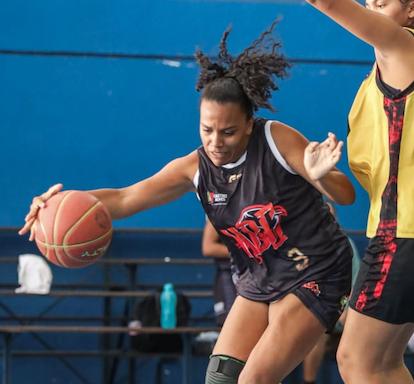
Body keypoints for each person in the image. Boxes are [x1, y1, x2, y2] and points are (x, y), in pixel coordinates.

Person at [20, 21, 356, 384]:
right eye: (207, 129)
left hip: (316, 272)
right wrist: (61, 203)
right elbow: (123, 198)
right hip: (259, 279)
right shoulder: (194, 169)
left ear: (248, 124)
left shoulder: (275, 139)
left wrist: (321, 175)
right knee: (220, 379)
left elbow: (346, 196)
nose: (215, 141)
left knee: (254, 380)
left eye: (227, 131)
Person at [303, 1, 414, 382]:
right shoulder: (410, 64)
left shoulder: (402, 46)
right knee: (381, 363)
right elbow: (357, 190)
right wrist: (320, 175)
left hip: (410, 231)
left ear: (413, 8)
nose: (374, 1)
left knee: (356, 359)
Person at [300, 202, 360, 384]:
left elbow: (355, 281)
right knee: (316, 328)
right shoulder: (300, 247)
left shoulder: (346, 244)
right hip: (311, 309)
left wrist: (346, 309)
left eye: (331, 218)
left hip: (341, 308)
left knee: (362, 332)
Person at [202, 217, 237, 327]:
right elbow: (208, 247)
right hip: (229, 276)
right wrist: (247, 250)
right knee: (232, 324)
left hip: (253, 276)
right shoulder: (219, 208)